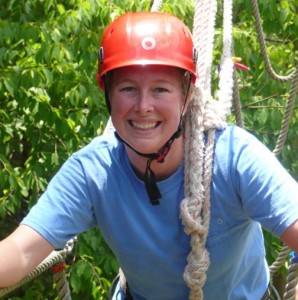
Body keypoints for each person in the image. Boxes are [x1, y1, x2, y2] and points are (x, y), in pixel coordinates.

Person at [0, 11, 298, 300]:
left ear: (187, 96)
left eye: (160, 89)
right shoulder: (94, 172)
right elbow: (21, 252)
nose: (143, 106)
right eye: (128, 88)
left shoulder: (234, 159)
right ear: (108, 94)